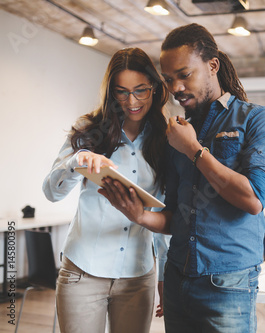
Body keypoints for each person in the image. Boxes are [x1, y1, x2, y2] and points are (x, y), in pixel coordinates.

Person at [99, 23, 265, 332]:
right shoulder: (176, 132)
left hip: (227, 282)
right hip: (177, 279)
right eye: (169, 79)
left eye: (185, 75)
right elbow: (175, 216)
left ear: (213, 66)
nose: (176, 88)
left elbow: (253, 200)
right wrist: (139, 215)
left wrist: (195, 151)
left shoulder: (255, 118)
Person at [42, 48, 169, 333]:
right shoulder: (88, 129)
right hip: (82, 273)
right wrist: (77, 161)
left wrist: (165, 277)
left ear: (155, 88)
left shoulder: (166, 140)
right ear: (111, 93)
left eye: (141, 90)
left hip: (138, 276)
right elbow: (52, 193)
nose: (132, 101)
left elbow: (164, 209)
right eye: (121, 92)